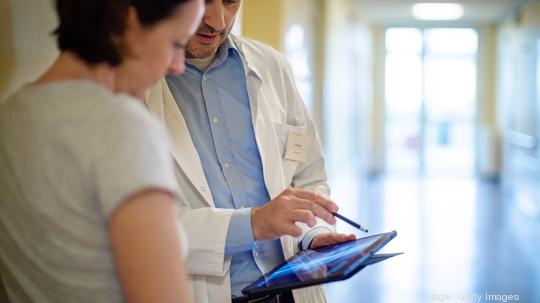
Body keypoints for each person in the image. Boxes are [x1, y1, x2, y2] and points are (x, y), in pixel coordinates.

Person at [145, 0, 355, 302]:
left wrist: (312, 234)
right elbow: (137, 227)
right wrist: (253, 224)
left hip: (291, 291)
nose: (217, 21)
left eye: (230, 1)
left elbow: (308, 176)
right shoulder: (133, 84)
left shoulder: (272, 66)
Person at [0, 0, 203, 302]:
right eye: (176, 43)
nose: (177, 66)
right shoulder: (123, 126)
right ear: (127, 22)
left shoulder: (10, 116)